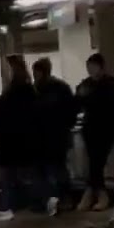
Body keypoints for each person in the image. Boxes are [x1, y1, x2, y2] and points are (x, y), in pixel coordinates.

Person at [0, 55, 39, 222]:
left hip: (10, 140)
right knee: (21, 174)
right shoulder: (28, 91)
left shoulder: (12, 94)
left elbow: (2, 110)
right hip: (21, 139)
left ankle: (7, 206)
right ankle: (28, 203)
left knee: (7, 175)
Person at [32, 57, 77, 214]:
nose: (35, 75)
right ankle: (60, 199)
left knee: (51, 170)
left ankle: (51, 200)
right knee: (56, 169)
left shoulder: (38, 90)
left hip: (50, 136)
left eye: (36, 72)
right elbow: (72, 111)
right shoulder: (61, 88)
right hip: (55, 136)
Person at [76, 53, 114, 211]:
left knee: (97, 162)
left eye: (93, 67)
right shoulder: (86, 85)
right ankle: (97, 194)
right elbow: (77, 103)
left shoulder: (111, 84)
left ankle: (93, 194)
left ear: (101, 67)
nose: (91, 70)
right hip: (90, 128)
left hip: (106, 128)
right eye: (89, 67)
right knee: (94, 162)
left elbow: (113, 106)